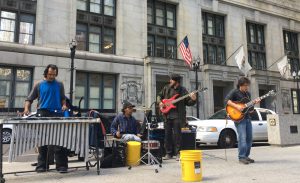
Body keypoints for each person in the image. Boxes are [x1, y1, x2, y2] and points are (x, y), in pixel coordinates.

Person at [23, 64, 69, 173]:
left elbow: (63, 99)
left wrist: (64, 105)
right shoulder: (38, 84)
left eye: (54, 74)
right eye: (50, 74)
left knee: (60, 141)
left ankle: (61, 166)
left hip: (57, 114)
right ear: (46, 73)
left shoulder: (59, 85)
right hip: (42, 113)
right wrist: (26, 109)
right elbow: (29, 99)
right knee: (43, 142)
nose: (52, 76)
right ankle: (42, 166)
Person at [157, 74, 197, 161]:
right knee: (167, 135)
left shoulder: (183, 90)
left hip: (178, 116)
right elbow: (159, 95)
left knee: (177, 136)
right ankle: (168, 153)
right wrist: (160, 102)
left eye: (171, 80)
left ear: (176, 81)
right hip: (167, 115)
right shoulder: (166, 88)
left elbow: (188, 102)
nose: (170, 81)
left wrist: (193, 99)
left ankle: (178, 153)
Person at [224, 77, 260, 165]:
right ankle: (241, 157)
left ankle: (246, 156)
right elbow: (226, 101)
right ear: (240, 85)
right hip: (239, 119)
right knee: (242, 138)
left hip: (247, 117)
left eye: (247, 86)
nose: (246, 87)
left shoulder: (248, 94)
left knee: (249, 138)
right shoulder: (235, 92)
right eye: (245, 86)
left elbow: (249, 109)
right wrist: (237, 107)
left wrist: (254, 103)